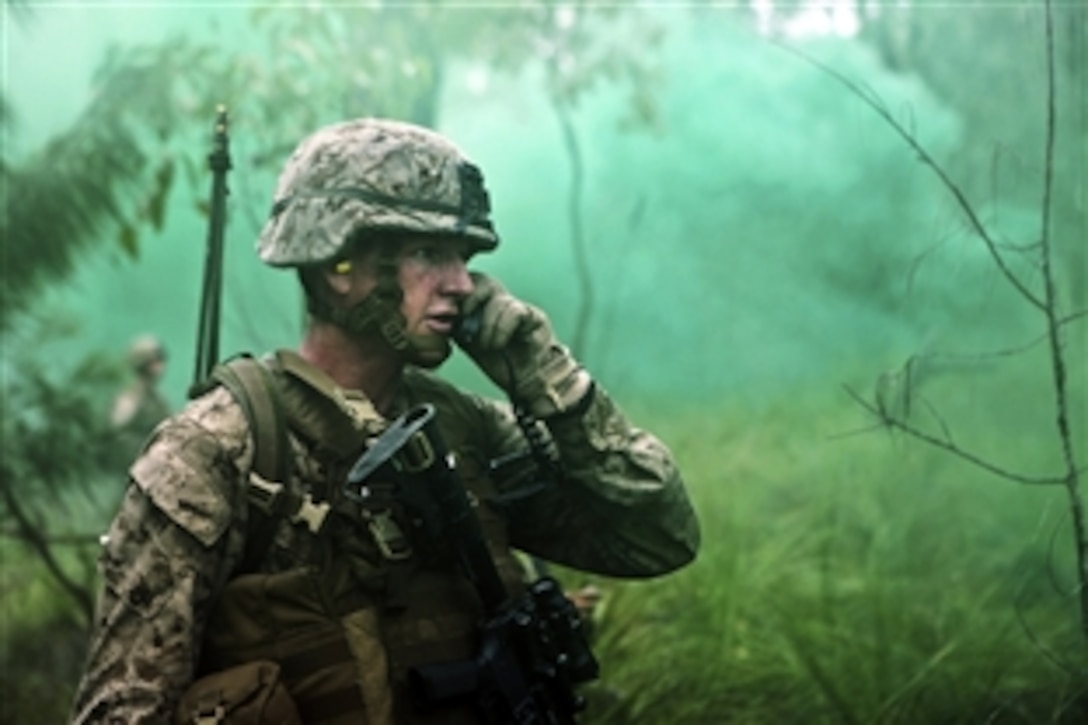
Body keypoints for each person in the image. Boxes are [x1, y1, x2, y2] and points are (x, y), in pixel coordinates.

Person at [70, 118, 700, 724]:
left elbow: (657, 536)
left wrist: (550, 380)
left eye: (464, 255)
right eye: (429, 253)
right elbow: (123, 711)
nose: (463, 283)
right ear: (336, 269)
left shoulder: (464, 430)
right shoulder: (216, 452)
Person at [109, 334, 171, 463]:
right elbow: (118, 430)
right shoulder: (131, 398)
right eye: (155, 361)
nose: (160, 366)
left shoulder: (156, 400)